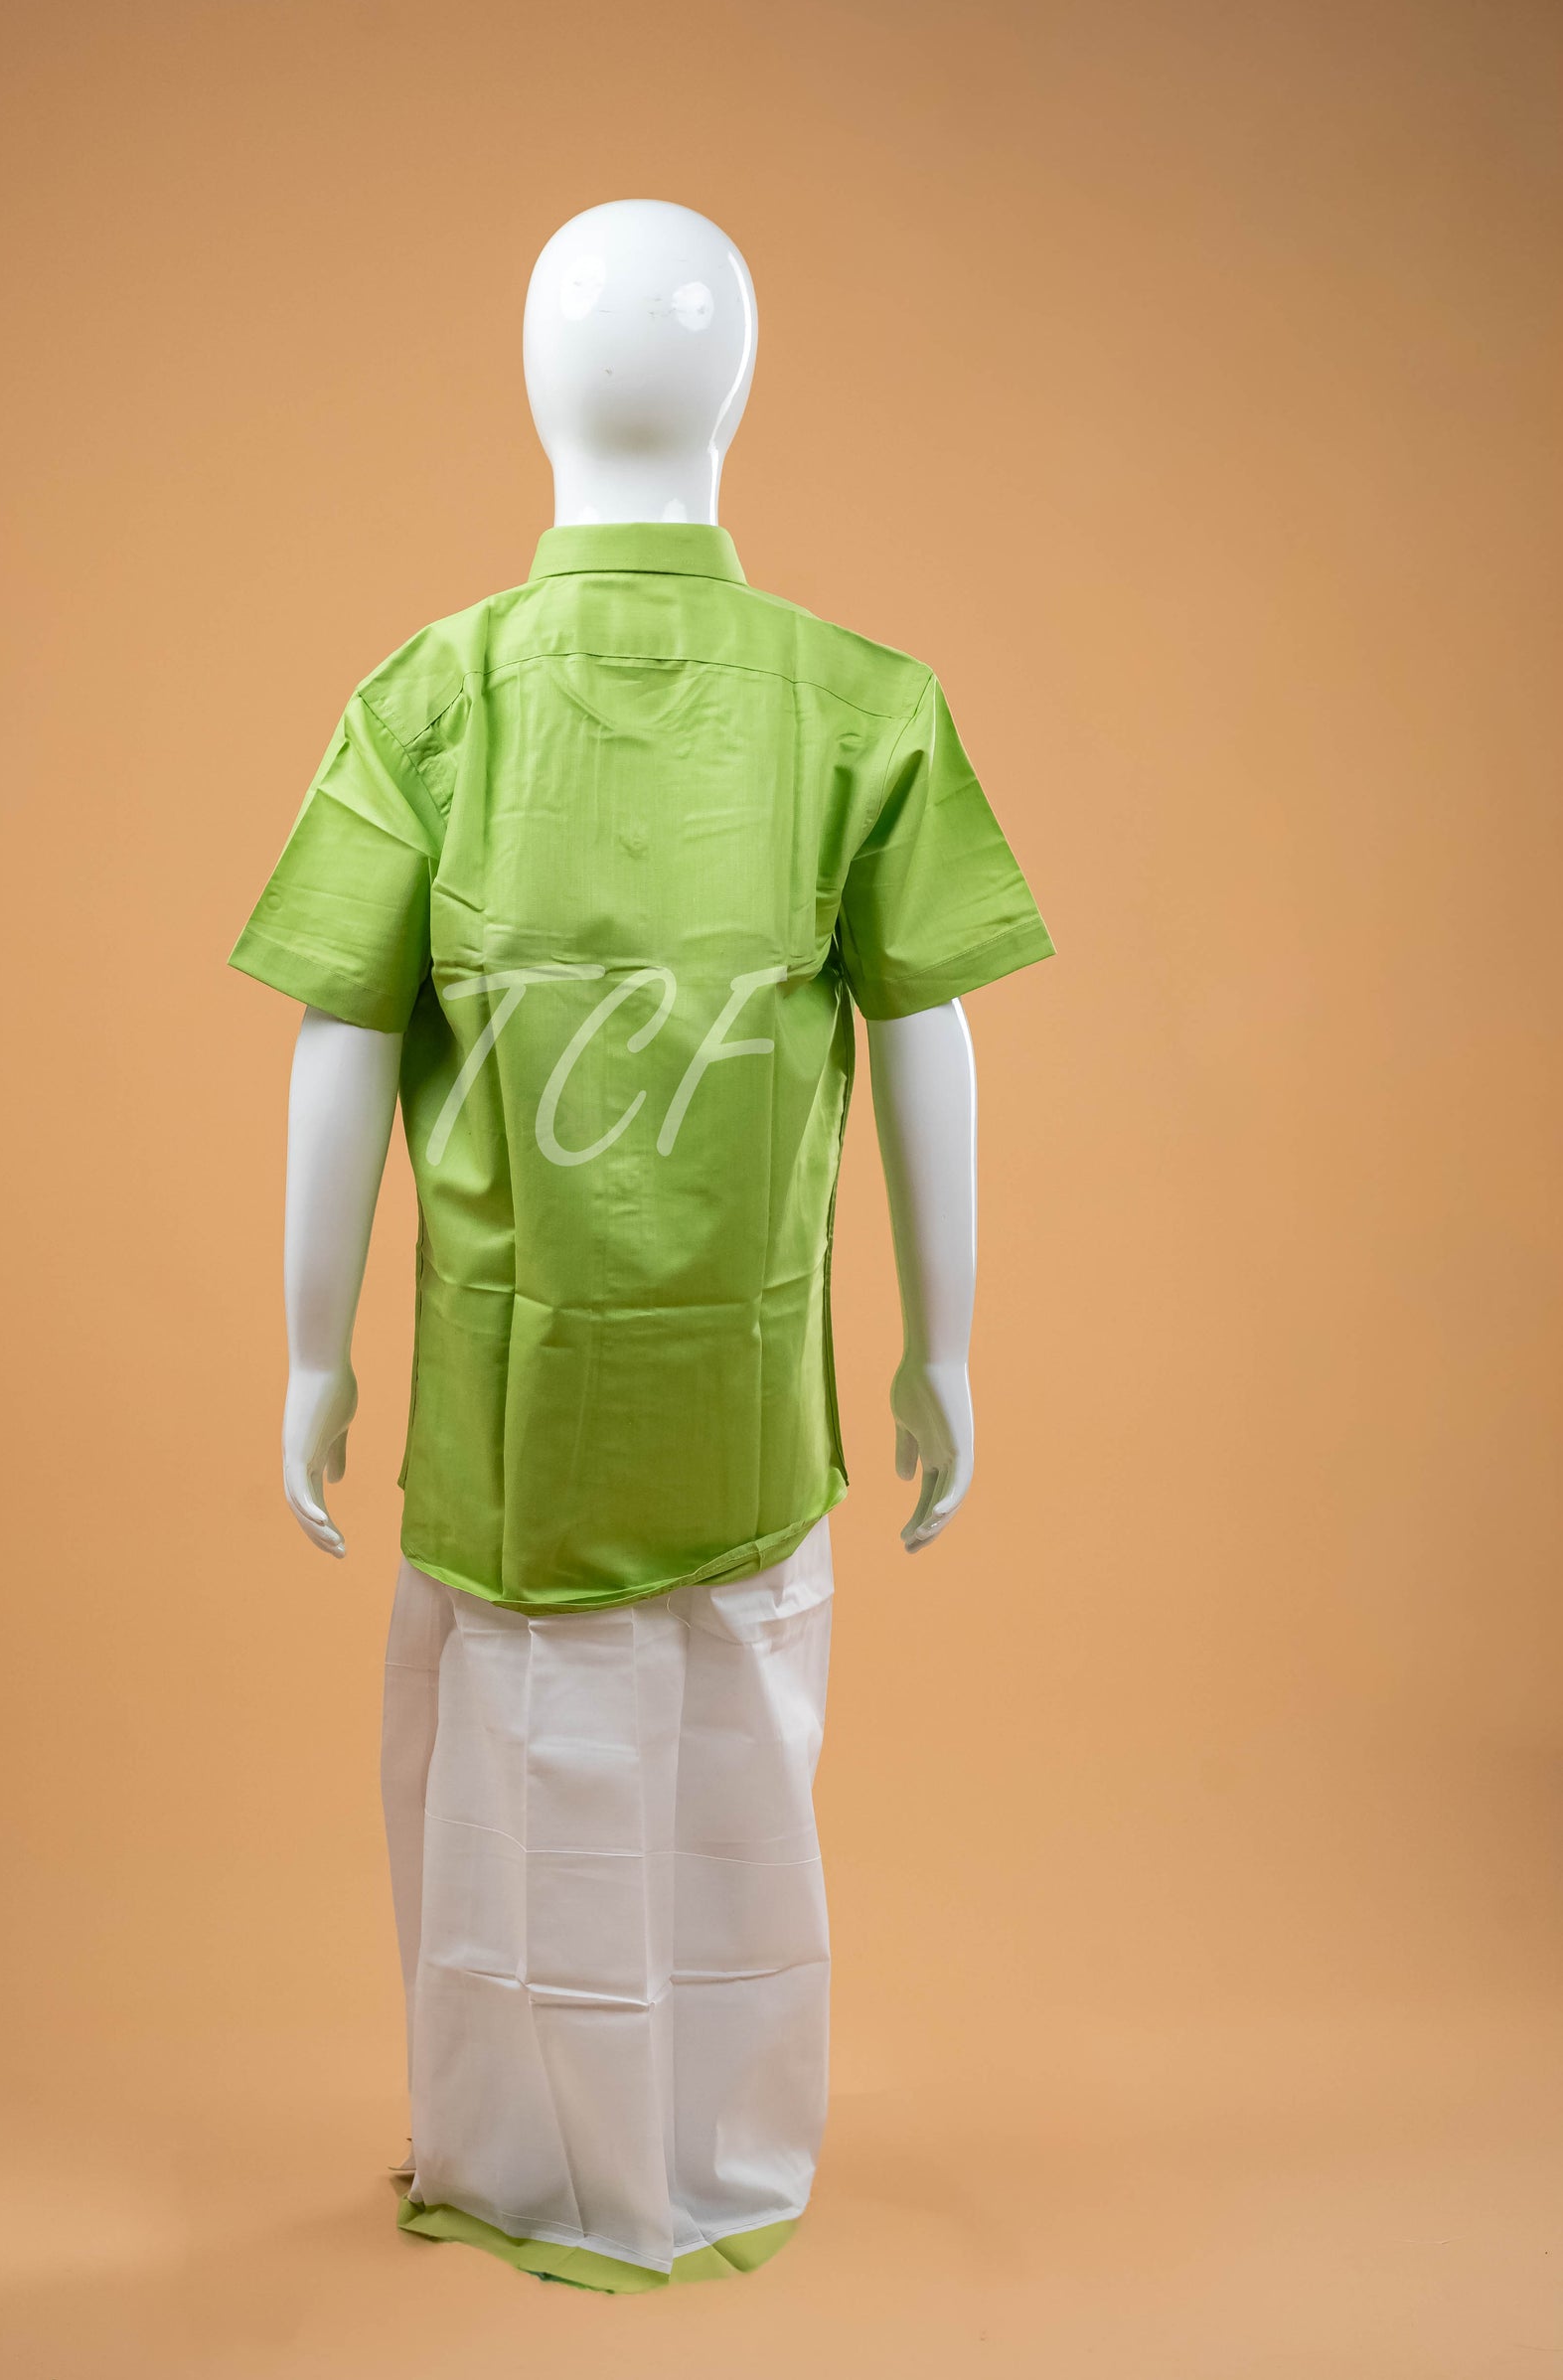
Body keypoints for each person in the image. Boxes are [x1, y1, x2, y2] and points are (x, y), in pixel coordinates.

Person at [229, 200, 1053, 2290]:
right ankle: (710, 2156)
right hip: (743, 1397)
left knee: (510, 1788)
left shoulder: (432, 698)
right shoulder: (856, 705)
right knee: (734, 1784)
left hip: (512, 1413)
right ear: (737, 388)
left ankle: (521, 2156)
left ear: (534, 385)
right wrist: (945, 1342)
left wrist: (313, 1351)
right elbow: (925, 1032)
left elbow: (341, 1036)